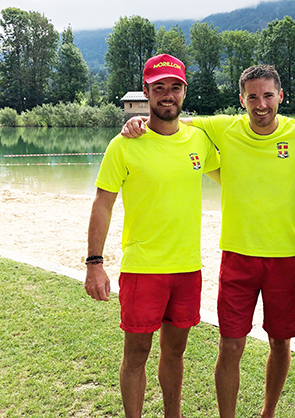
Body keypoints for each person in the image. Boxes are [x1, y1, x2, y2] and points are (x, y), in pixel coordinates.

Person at [122, 65, 295, 418]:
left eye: (268, 96)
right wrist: (136, 121)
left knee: (281, 343)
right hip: (237, 257)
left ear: (281, 97)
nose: (261, 104)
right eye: (252, 97)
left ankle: (267, 413)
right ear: (241, 99)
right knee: (230, 346)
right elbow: (172, 122)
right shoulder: (223, 128)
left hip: (284, 258)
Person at [85, 53, 220, 418]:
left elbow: (240, 171)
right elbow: (103, 204)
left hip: (187, 268)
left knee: (175, 354)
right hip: (143, 269)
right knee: (136, 355)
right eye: (159, 87)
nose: (167, 95)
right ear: (146, 91)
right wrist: (94, 263)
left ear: (184, 92)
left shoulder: (199, 142)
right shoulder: (123, 145)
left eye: (174, 87)